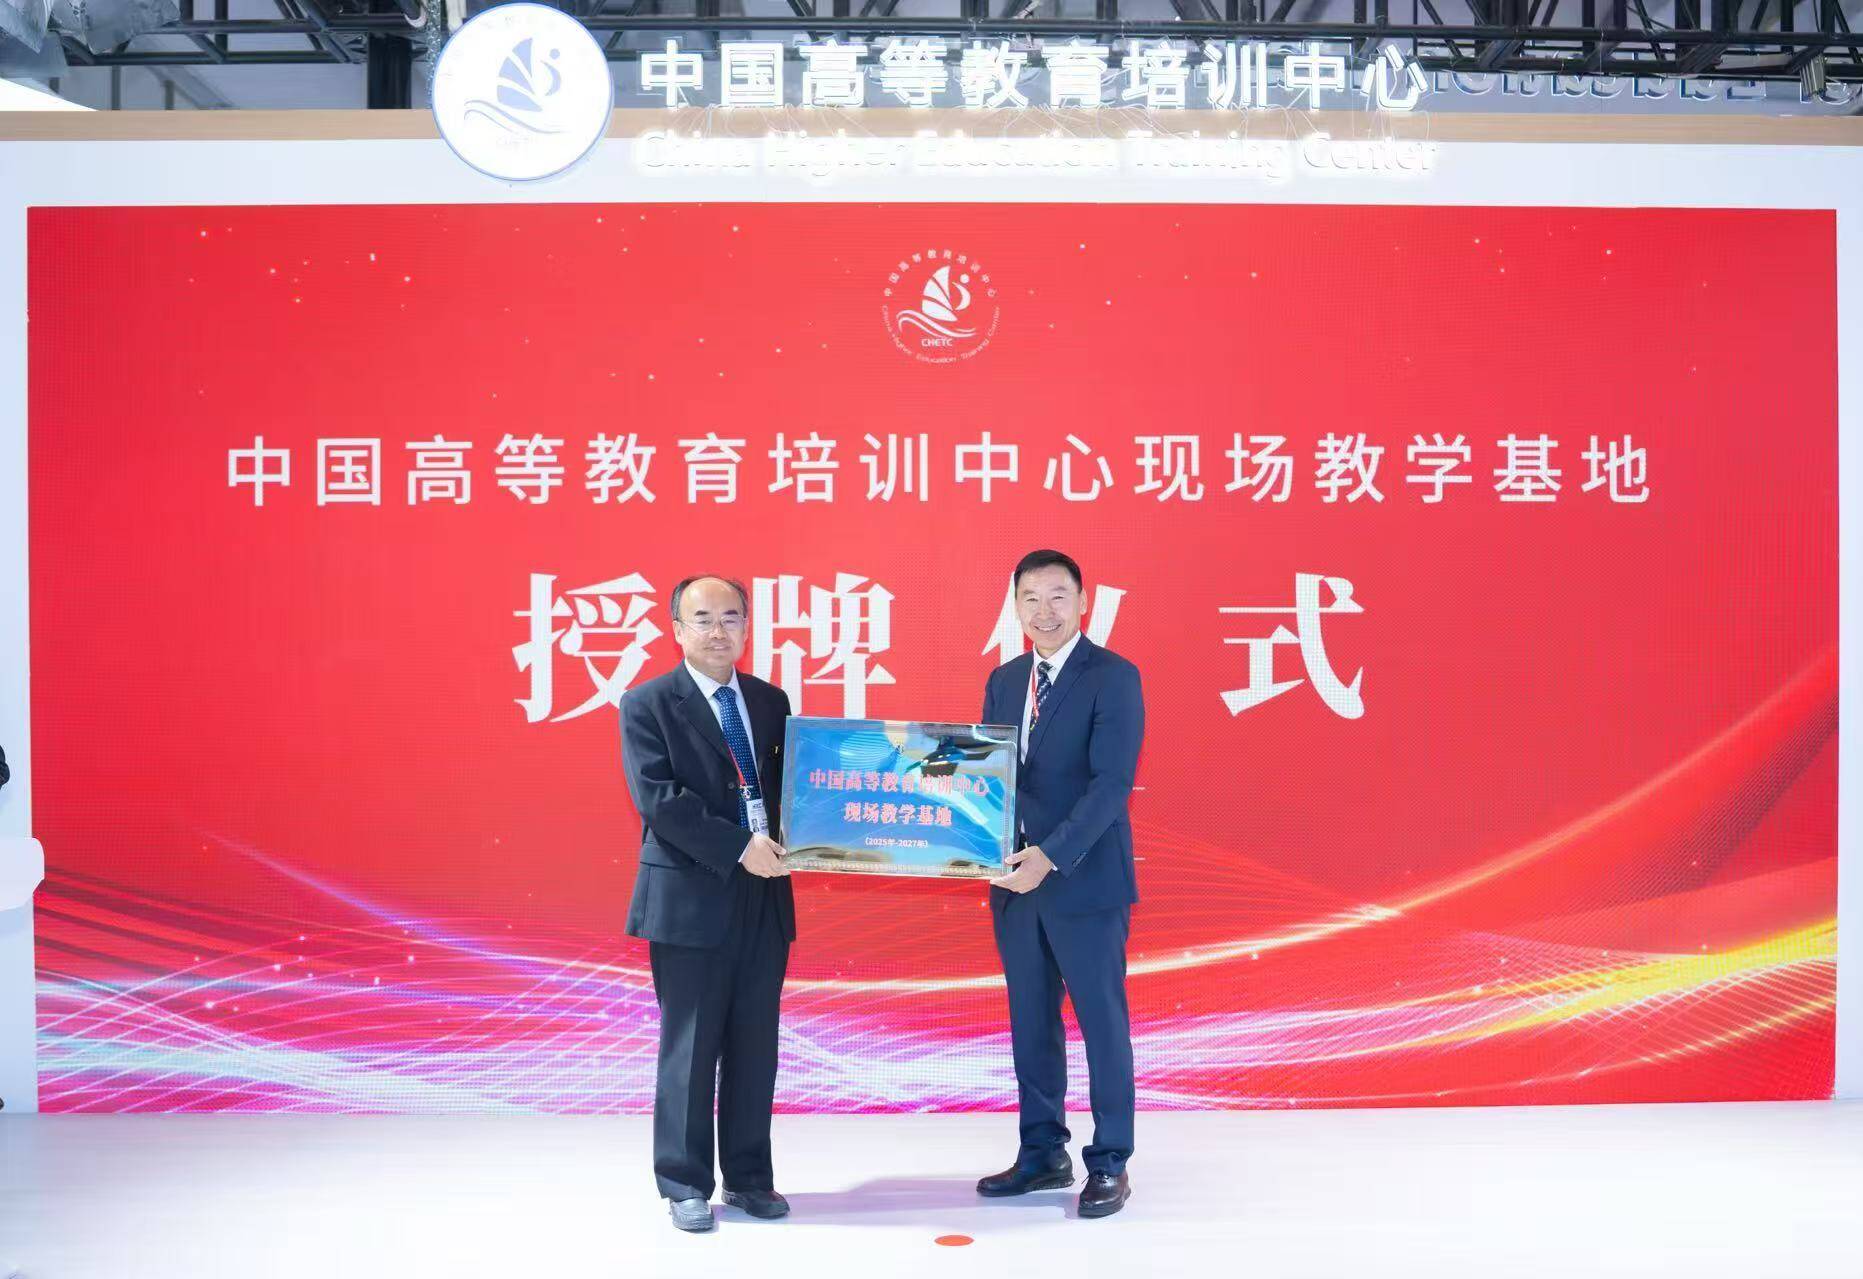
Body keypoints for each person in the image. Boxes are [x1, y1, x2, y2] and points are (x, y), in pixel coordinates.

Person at [620, 575, 795, 1233]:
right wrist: (739, 846)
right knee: (690, 1047)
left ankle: (749, 1178)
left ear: (747, 626)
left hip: (763, 895)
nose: (718, 630)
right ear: (677, 628)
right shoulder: (646, 704)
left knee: (755, 1044)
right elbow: (659, 801)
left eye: (731, 617)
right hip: (691, 897)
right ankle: (684, 1182)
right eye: (703, 618)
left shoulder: (770, 702)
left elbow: (796, 789)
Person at [976, 549, 1145, 1219]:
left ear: (1082, 602)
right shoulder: (1004, 679)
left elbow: (1111, 784)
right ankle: (1042, 1152)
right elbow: (987, 774)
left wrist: (1049, 855)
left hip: (1084, 880)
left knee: (1102, 1024)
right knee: (1031, 1023)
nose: (1043, 611)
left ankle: (1110, 1162)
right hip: (1014, 884)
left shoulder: (1113, 677)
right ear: (1015, 606)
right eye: (1030, 598)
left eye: (1057, 596)